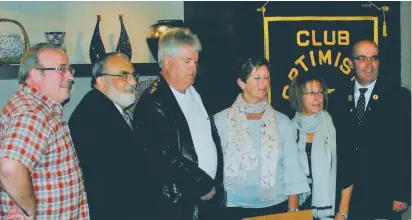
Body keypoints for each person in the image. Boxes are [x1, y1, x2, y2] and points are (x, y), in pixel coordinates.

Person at [132, 28, 224, 219]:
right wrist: (204, 184)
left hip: (206, 202)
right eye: (187, 61)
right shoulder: (153, 102)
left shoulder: (196, 92)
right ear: (167, 61)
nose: (194, 67)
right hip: (177, 206)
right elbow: (165, 157)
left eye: (196, 62)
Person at [213, 57, 310, 220]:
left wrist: (293, 212)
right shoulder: (220, 120)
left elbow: (293, 170)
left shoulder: (282, 121)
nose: (264, 83)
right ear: (241, 83)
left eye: (267, 77)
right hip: (234, 209)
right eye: (257, 78)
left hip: (276, 208)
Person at [0, 43, 89, 219]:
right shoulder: (33, 113)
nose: (70, 76)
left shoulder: (40, 107)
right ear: (35, 75)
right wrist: (29, 209)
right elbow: (9, 168)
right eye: (61, 69)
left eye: (69, 69)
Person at [329, 39, 411, 219]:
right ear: (351, 63)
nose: (369, 64)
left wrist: (402, 193)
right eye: (362, 58)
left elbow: (405, 147)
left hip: (384, 195)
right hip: (347, 197)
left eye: (374, 58)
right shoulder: (337, 99)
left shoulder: (398, 97)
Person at [68, 53, 145, 219]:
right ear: (101, 82)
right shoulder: (94, 113)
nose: (133, 82)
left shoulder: (102, 106)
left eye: (133, 75)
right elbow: (112, 179)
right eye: (124, 75)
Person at [289, 73, 353, 220]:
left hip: (333, 209)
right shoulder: (290, 128)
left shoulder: (335, 125)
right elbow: (291, 175)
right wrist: (292, 211)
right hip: (302, 209)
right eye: (312, 93)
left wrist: (342, 213)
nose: (318, 97)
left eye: (320, 92)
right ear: (299, 96)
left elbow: (348, 171)